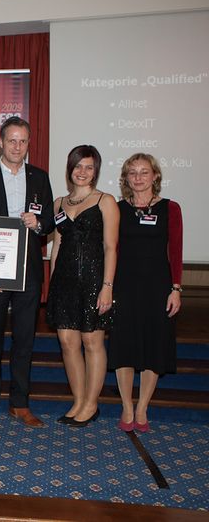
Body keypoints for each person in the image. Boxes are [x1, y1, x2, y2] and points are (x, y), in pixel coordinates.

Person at [0, 116, 54, 428]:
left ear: (29, 144)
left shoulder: (40, 178)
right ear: (0, 143)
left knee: (24, 340)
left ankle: (20, 404)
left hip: (28, 271)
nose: (17, 146)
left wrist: (38, 223)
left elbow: (50, 223)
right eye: (12, 140)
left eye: (23, 141)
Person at [108, 153, 182, 433]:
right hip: (124, 287)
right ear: (126, 178)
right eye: (132, 172)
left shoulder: (171, 208)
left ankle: (142, 408)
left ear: (155, 176)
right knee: (124, 347)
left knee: (154, 348)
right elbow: (110, 249)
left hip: (158, 288)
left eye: (144, 172)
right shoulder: (116, 209)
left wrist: (176, 288)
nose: (138, 177)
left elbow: (175, 250)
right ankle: (127, 406)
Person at [46, 145, 119, 427]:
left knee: (92, 341)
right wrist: (52, 282)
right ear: (70, 168)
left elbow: (111, 247)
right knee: (67, 342)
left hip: (94, 280)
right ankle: (78, 401)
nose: (82, 172)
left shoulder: (106, 201)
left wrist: (107, 286)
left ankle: (91, 404)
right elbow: (57, 245)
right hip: (64, 282)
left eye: (89, 167)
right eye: (78, 166)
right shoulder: (59, 203)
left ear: (96, 171)